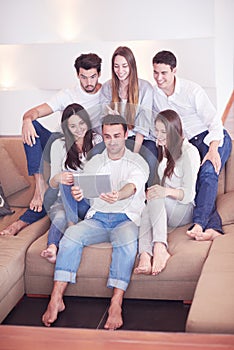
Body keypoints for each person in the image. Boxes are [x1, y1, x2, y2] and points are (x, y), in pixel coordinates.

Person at [42, 114, 149, 329]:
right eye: (107, 136)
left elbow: (133, 185)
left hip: (126, 219)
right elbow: (86, 190)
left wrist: (119, 195)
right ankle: (56, 299)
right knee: (71, 236)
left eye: (117, 135)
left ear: (126, 135)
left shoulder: (138, 161)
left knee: (127, 246)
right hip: (98, 218)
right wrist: (79, 193)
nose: (112, 141)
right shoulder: (95, 161)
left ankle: (115, 304)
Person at [0, 53, 102, 237]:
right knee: (34, 126)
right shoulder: (67, 94)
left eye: (92, 76)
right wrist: (26, 120)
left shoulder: (106, 93)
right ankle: (39, 187)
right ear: (77, 75)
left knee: (58, 196)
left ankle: (21, 222)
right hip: (61, 144)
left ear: (99, 75)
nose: (88, 82)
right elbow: (35, 112)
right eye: (83, 77)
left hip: (87, 145)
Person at [152, 50, 232, 241]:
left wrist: (213, 150)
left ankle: (199, 224)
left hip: (211, 137)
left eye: (164, 73)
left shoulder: (191, 90)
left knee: (207, 173)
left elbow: (215, 123)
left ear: (174, 71)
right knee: (194, 181)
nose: (159, 78)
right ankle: (213, 229)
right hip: (189, 144)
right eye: (156, 72)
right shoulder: (155, 94)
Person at [134, 110, 200, 275]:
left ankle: (160, 247)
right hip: (167, 208)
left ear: (175, 131)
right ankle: (144, 255)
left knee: (156, 198)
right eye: (157, 130)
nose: (159, 135)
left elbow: (189, 195)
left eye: (164, 132)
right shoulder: (164, 148)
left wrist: (164, 191)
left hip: (184, 208)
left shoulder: (189, 153)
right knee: (148, 205)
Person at [40, 103, 102, 263]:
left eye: (82, 123)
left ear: (87, 121)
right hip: (64, 200)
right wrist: (58, 178)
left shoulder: (98, 141)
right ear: (66, 127)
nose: (79, 129)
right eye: (73, 126)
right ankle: (52, 248)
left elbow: (102, 178)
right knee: (60, 214)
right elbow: (52, 183)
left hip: (88, 202)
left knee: (71, 182)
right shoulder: (58, 145)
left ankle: (72, 225)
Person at [95, 46, 157, 186]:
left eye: (124, 66)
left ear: (131, 66)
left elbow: (143, 124)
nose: (120, 71)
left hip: (141, 138)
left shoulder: (145, 88)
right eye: (116, 66)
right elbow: (104, 120)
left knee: (150, 159)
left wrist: (132, 155)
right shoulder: (107, 88)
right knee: (95, 156)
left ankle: (149, 198)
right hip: (116, 137)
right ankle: (102, 199)